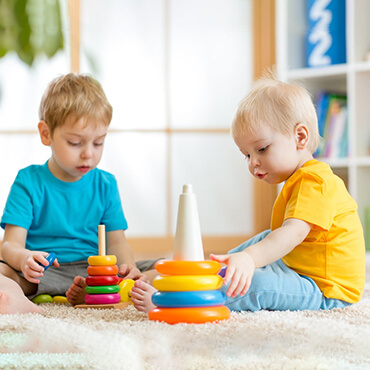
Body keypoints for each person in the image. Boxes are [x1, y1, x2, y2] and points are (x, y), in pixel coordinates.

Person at [131, 76, 366, 313]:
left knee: (257, 284)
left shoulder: (316, 182)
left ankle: (176, 302)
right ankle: (202, 271)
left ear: (300, 137)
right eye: (247, 155)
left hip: (326, 289)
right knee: (264, 238)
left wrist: (251, 260)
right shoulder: (302, 179)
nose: (253, 163)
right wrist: (245, 257)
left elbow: (292, 235)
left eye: (262, 149)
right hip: (300, 266)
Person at [0, 73, 155, 314]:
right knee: (3, 271)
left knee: (168, 265)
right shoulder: (28, 181)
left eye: (98, 143)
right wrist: (24, 259)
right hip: (42, 275)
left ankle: (95, 291)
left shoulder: (106, 183)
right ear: (46, 134)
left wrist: (128, 267)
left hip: (95, 272)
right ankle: (17, 297)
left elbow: (117, 241)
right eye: (75, 143)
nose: (88, 154)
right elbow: (10, 244)